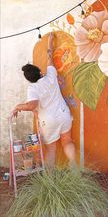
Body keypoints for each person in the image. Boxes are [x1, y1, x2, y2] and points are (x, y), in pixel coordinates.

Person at [11, 32, 76, 168]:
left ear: (29, 79)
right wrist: (50, 41)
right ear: (40, 72)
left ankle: (50, 182)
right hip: (63, 114)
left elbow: (31, 105)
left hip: (49, 120)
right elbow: (49, 56)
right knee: (67, 141)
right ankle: (75, 167)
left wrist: (18, 106)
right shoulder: (51, 75)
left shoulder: (32, 88)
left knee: (51, 149)